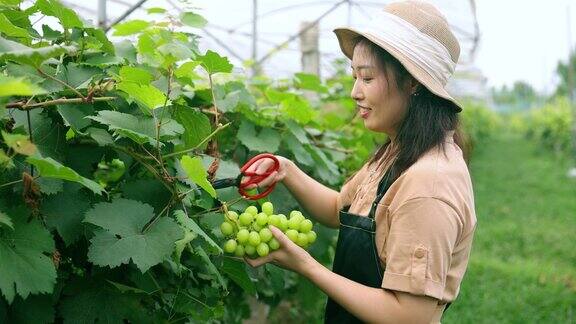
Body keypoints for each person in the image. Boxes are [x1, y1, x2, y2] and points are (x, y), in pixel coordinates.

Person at [243, 1, 477, 323]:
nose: (354, 92)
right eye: (354, 76)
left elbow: (410, 316)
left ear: (412, 83)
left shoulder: (428, 186)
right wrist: (287, 170)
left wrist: (306, 265)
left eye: (366, 78)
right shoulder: (397, 153)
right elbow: (340, 208)